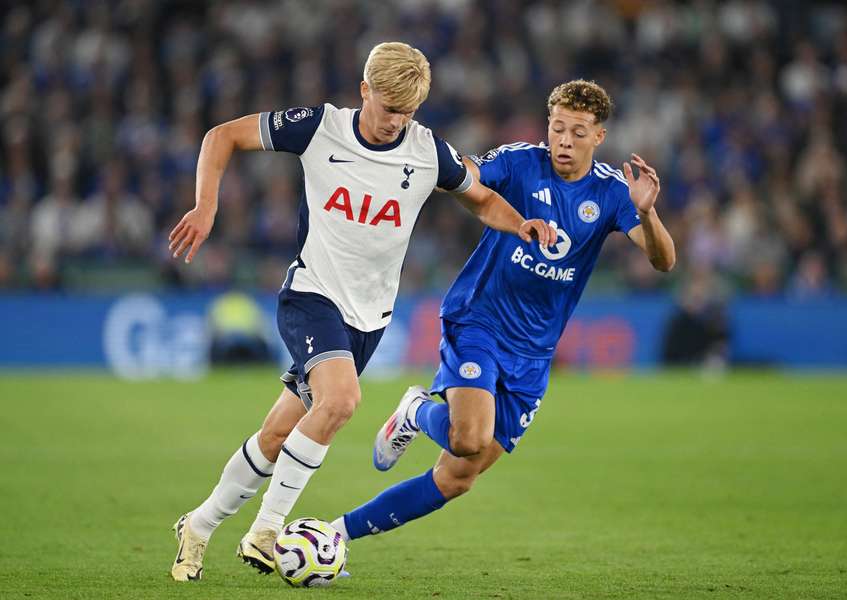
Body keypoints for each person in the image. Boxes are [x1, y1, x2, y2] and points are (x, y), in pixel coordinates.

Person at [167, 42, 555, 582]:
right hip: (312, 295)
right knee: (342, 401)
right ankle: (267, 530)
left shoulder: (427, 151)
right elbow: (221, 136)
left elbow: (482, 198)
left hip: (368, 319)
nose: (394, 122)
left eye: (406, 112)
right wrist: (207, 205)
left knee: (279, 435)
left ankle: (199, 526)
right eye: (387, 107)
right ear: (364, 90)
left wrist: (522, 224)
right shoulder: (318, 127)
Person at [327, 79, 676, 548]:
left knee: (456, 478)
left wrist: (648, 215)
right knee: (468, 437)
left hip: (533, 355)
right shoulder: (519, 162)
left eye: (576, 132)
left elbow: (663, 261)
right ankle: (415, 408)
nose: (564, 142)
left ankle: (335, 535)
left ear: (599, 137)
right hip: (479, 322)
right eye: (557, 129)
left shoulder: (613, 193)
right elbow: (465, 175)